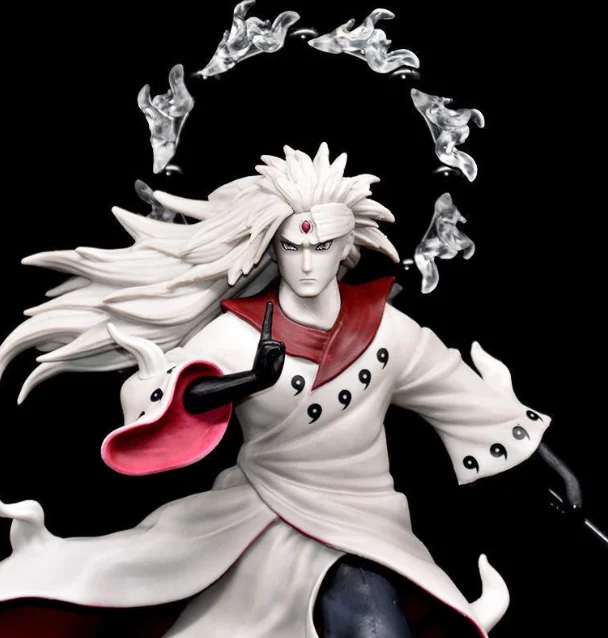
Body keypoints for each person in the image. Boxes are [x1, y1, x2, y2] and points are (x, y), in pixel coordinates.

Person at [0, 143, 551, 637]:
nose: (307, 263)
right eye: (292, 247)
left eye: (322, 246)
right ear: (273, 249)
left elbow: (461, 395)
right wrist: (251, 380)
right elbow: (164, 397)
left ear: (347, 247)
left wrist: (550, 468)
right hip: (266, 517)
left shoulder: (388, 330)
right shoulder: (238, 333)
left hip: (371, 522)